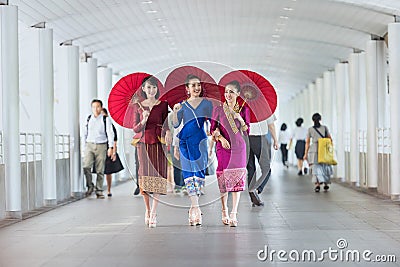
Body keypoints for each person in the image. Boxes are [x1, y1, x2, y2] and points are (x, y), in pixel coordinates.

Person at [172, 74, 213, 226]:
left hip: (201, 141)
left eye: (198, 85)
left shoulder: (207, 103)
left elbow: (212, 121)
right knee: (189, 175)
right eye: (193, 85)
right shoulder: (181, 105)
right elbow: (176, 125)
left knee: (198, 175)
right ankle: (196, 209)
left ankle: (192, 208)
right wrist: (175, 112)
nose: (196, 88)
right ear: (187, 88)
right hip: (184, 142)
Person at [132, 76, 172, 228]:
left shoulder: (163, 105)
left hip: (159, 144)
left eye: (154, 87)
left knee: (158, 176)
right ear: (143, 88)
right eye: (148, 87)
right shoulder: (137, 106)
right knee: (145, 176)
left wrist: (168, 132)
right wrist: (143, 120)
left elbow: (166, 123)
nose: (151, 90)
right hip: (143, 144)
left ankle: (154, 212)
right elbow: (135, 128)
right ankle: (147, 210)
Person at [210, 80, 250, 227]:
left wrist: (239, 118)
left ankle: (234, 213)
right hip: (223, 147)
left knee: (237, 180)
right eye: (226, 92)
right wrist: (220, 138)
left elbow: (246, 132)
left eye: (231, 92)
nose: (228, 95)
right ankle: (224, 209)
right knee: (223, 179)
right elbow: (212, 130)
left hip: (239, 147)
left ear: (238, 94)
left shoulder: (244, 110)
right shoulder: (219, 110)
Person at [83, 99, 115, 199]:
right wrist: (83, 147)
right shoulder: (88, 119)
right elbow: (84, 133)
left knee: (100, 169)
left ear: (101, 108)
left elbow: (110, 134)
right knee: (86, 166)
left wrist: (111, 147)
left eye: (97, 107)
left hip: (102, 145)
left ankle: (99, 190)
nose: (95, 109)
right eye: (93, 107)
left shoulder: (105, 119)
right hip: (89, 145)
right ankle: (90, 186)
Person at [247, 114, 278, 206]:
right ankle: (256, 189)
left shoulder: (244, 105)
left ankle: (254, 199)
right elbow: (271, 125)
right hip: (258, 138)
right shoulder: (265, 107)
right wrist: (275, 140)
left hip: (245, 138)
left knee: (251, 169)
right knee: (266, 168)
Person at [92, 108, 124, 197]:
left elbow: (115, 140)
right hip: (99, 148)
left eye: (103, 114)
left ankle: (109, 189)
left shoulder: (110, 126)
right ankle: (99, 189)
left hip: (108, 149)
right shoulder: (96, 125)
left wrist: (114, 152)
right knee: (99, 169)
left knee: (108, 171)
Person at [303, 113, 333, 192]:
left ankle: (317, 185)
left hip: (314, 149)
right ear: (320, 119)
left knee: (315, 167)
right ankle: (326, 183)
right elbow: (330, 139)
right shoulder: (325, 128)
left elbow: (307, 142)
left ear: (313, 120)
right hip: (323, 148)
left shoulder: (310, 129)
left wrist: (305, 154)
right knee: (324, 166)